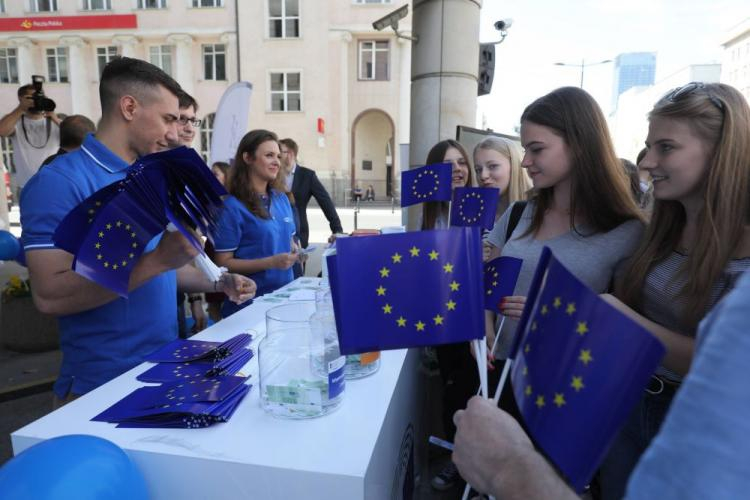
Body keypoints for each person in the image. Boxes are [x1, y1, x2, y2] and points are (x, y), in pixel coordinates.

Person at [19, 57, 256, 408]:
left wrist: (216, 282)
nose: (176, 133)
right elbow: (51, 296)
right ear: (129, 107)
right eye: (168, 119)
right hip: (98, 389)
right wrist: (159, 260)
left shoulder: (149, 175)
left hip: (162, 367)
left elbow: (160, 270)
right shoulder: (58, 182)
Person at [452, 267, 750, 500]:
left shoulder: (628, 230)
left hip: (593, 387)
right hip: (627, 401)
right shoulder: (657, 233)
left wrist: (509, 469)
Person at [598, 82, 750, 499]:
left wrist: (621, 318)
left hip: (695, 423)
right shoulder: (662, 225)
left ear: (722, 153)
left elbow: (719, 361)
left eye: (666, 147)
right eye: (648, 147)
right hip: (630, 402)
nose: (647, 162)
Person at [484, 87, 644, 361]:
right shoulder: (518, 213)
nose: (525, 162)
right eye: (525, 150)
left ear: (580, 144)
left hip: (560, 386)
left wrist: (554, 316)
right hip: (495, 371)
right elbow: (488, 287)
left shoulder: (628, 232)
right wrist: (484, 331)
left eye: (537, 149)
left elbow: (624, 331)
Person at [422, 138, 478, 492]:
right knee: (452, 391)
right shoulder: (431, 216)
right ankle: (459, 461)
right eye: (448, 164)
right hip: (444, 322)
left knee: (473, 394)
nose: (457, 170)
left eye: (461, 162)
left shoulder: (482, 208)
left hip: (476, 318)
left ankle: (473, 468)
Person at [213, 130, 299, 317]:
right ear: (248, 158)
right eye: (269, 155)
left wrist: (296, 250)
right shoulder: (231, 206)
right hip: (247, 308)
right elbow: (222, 263)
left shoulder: (281, 199)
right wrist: (271, 262)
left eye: (278, 156)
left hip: (284, 301)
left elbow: (288, 240)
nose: (277, 161)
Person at [172, 91, 207, 337]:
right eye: (181, 119)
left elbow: (190, 239)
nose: (189, 128)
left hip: (176, 294)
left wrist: (196, 300)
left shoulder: (187, 170)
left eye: (192, 120)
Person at [279, 138, 342, 248]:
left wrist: (337, 230)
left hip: (299, 232)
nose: (276, 156)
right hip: (277, 231)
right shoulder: (273, 174)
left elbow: (326, 202)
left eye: (280, 152)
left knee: (299, 264)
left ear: (290, 154)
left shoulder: (307, 176)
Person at [0, 83, 61, 196]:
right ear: (21, 99)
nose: (37, 101)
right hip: (26, 185)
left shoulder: (55, 121)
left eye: (40, 97)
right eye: (32, 98)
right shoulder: (16, 121)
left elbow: (76, 139)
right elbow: (2, 131)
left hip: (55, 184)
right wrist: (21, 108)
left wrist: (54, 117)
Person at [205, 161, 231, 322]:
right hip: (210, 249)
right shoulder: (206, 198)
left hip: (225, 251)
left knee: (227, 292)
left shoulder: (232, 202)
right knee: (213, 298)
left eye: (216, 173)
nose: (212, 176)